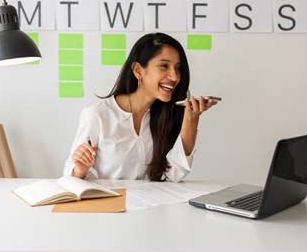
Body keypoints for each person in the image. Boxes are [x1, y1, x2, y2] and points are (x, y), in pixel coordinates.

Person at [62, 32, 218, 182]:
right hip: (109, 206)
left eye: (178, 68)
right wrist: (80, 170)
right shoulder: (97, 115)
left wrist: (191, 118)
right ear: (138, 71)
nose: (175, 76)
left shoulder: (168, 114)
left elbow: (174, 174)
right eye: (164, 66)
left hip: (152, 206)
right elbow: (70, 175)